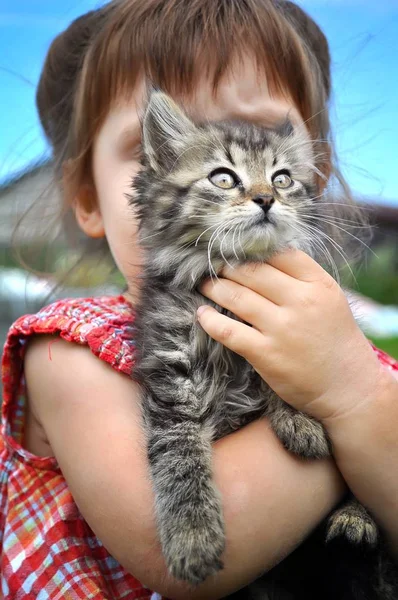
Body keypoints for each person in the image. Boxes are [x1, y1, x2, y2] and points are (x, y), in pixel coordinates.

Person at [1, 0, 397, 598]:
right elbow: (180, 563)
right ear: (88, 196)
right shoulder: (69, 353)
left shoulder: (338, 340)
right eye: (162, 145)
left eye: (269, 153)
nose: (258, 191)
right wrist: (352, 407)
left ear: (310, 173)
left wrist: (350, 391)